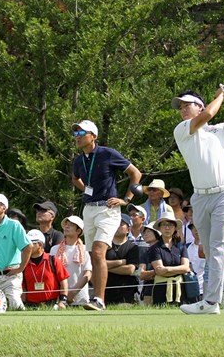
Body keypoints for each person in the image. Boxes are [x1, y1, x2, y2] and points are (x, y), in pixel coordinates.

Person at [172, 81, 224, 315]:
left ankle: (210, 303)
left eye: (186, 105)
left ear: (197, 106)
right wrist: (221, 94)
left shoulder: (219, 130)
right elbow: (209, 112)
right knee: (209, 251)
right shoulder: (183, 129)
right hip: (199, 198)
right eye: (180, 107)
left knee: (217, 248)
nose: (182, 110)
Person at [71, 119, 141, 311]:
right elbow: (75, 178)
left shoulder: (107, 153)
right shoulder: (78, 160)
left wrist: (126, 199)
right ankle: (98, 299)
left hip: (108, 210)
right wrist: (86, 190)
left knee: (100, 252)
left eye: (81, 133)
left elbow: (135, 173)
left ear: (93, 136)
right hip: (89, 209)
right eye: (75, 134)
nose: (77, 137)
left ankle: (99, 300)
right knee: (93, 255)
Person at [147, 212, 190, 306]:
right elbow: (159, 271)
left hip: (180, 287)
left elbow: (186, 268)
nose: (167, 228)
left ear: (175, 228)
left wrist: (167, 269)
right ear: (159, 228)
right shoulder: (155, 248)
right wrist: (178, 269)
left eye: (170, 225)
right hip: (161, 288)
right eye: (164, 225)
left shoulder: (181, 246)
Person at [50, 216, 92, 306]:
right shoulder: (54, 249)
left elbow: (87, 274)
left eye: (71, 225)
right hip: (59, 299)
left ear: (78, 231)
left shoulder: (85, 249)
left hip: (81, 299)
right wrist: (63, 295)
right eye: (66, 224)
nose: (67, 227)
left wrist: (73, 293)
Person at [22, 230, 69, 308]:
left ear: (40, 244)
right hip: (30, 306)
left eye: (29, 243)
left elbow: (63, 281)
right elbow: (23, 287)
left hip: (52, 305)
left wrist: (62, 301)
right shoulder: (24, 263)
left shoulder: (53, 260)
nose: (26, 246)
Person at [104, 215, 139, 305]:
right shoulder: (104, 246)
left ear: (128, 229)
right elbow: (97, 264)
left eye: (120, 224)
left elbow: (130, 269)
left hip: (126, 292)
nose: (117, 226)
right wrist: (120, 262)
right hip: (105, 291)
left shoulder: (133, 248)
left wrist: (104, 267)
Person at [138, 221, 161, 306]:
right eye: (144, 232)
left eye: (149, 231)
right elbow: (141, 274)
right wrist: (158, 272)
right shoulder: (145, 253)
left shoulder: (164, 250)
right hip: (148, 291)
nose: (145, 234)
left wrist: (150, 274)